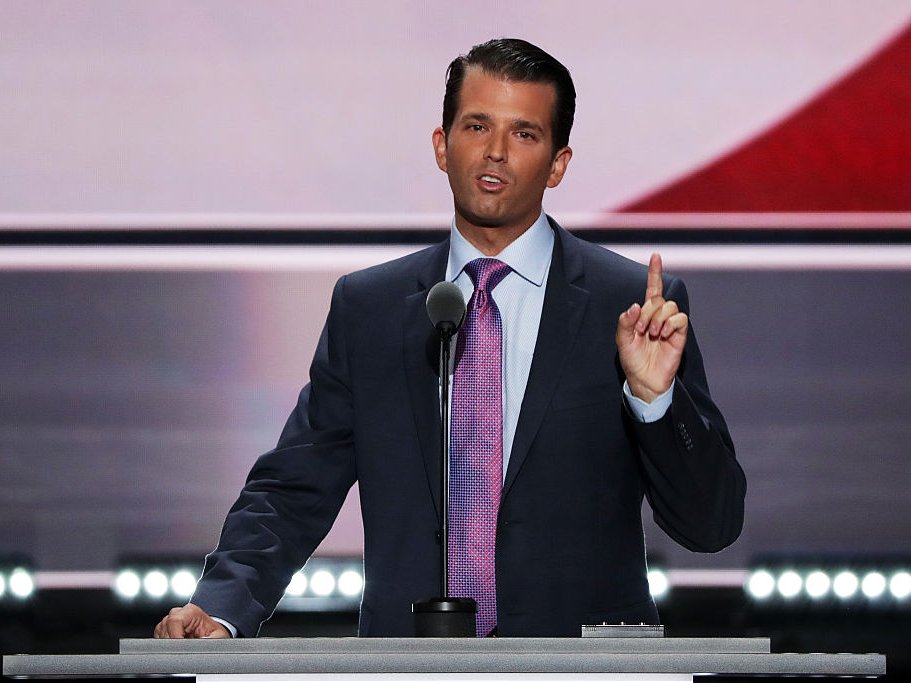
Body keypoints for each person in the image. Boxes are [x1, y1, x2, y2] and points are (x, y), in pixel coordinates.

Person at [154, 38, 745, 640]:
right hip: (411, 668)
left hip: (578, 672)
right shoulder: (370, 310)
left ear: (558, 163)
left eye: (524, 134)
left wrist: (655, 402)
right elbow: (294, 487)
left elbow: (712, 523)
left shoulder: (632, 307)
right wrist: (223, 605)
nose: (494, 152)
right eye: (476, 125)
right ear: (442, 146)